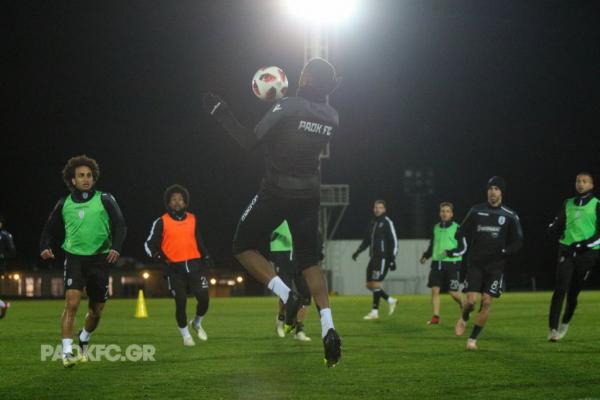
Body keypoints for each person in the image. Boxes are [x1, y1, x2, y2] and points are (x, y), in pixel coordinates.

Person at [203, 57, 342, 367]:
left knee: (242, 245)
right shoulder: (332, 116)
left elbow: (248, 141)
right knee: (310, 261)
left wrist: (220, 112)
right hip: (309, 194)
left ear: (306, 79)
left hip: (278, 192)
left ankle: (286, 295)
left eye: (303, 73)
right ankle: (328, 327)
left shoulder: (288, 106)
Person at [40, 155, 127, 367]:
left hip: (100, 260)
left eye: (89, 175)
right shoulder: (64, 203)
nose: (86, 179)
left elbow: (120, 224)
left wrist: (116, 247)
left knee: (95, 312)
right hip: (75, 259)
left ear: (93, 178)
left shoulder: (105, 198)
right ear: (73, 180)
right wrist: (44, 246)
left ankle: (84, 337)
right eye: (81, 175)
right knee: (71, 304)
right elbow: (49, 228)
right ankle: (67, 353)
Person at [454, 176, 523, 350]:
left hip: (495, 266)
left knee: (486, 302)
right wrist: (459, 237)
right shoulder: (476, 210)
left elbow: (518, 240)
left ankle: (472, 339)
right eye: (490, 189)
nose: (493, 192)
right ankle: (464, 317)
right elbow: (461, 230)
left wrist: (506, 251)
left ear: (501, 193)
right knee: (471, 302)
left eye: (496, 189)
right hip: (475, 263)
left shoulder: (509, 215)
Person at [144, 184, 214, 346]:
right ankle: (185, 335)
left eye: (180, 199)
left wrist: (206, 255)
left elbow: (198, 239)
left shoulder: (192, 219)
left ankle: (196, 323)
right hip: (174, 269)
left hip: (195, 265)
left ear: (185, 202)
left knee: (204, 299)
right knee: (181, 301)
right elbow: (149, 244)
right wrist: (157, 255)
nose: (177, 202)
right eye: (173, 199)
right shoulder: (161, 221)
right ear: (168, 203)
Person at [547, 172, 600, 341]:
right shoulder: (567, 203)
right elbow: (558, 222)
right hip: (567, 251)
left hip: (587, 254)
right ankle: (553, 329)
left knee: (573, 294)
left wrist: (585, 244)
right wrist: (553, 228)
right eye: (578, 181)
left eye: (584, 181)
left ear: (591, 185)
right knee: (560, 289)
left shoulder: (597, 204)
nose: (580, 184)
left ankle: (565, 323)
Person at [419, 202, 466, 324]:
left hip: (452, 264)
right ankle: (435, 317)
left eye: (447, 211)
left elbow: (463, 248)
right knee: (435, 290)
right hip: (436, 264)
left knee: (453, 292)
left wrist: (450, 253)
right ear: (440, 213)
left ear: (451, 214)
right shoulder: (435, 228)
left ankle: (464, 304)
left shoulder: (457, 228)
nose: (445, 213)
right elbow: (432, 246)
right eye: (443, 211)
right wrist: (425, 256)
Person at [352, 200, 398, 320]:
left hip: (383, 258)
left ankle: (374, 312)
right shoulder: (372, 223)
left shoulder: (387, 222)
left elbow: (394, 241)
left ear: (384, 209)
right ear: (373, 209)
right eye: (376, 207)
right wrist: (358, 251)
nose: (377, 209)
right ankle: (390, 300)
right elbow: (366, 241)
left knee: (376, 284)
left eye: (380, 207)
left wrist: (392, 259)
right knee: (369, 285)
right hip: (373, 257)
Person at [270, 220, 311, 341]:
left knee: (306, 296)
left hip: (298, 257)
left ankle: (299, 330)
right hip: (283, 256)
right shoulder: (279, 216)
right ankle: (281, 319)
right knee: (286, 294)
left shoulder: (302, 218)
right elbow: (270, 234)